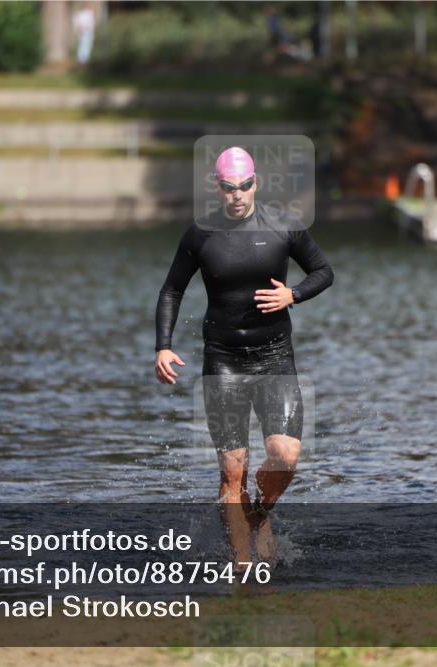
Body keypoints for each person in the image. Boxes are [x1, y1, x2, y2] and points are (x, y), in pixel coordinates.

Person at [154, 146, 333, 567]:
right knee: (232, 472)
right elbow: (171, 290)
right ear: (216, 187)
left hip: (274, 357)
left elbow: (323, 271)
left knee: (286, 459)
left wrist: (294, 294)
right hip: (223, 361)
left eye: (245, 185)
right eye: (229, 187)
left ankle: (262, 512)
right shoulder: (200, 234)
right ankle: (242, 570)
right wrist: (163, 344)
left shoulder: (284, 224)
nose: (237, 194)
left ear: (256, 182)